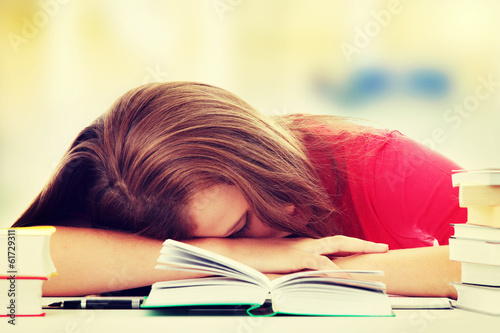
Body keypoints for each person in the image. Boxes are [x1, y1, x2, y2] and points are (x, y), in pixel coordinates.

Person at [12, 81, 466, 297]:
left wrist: (316, 269)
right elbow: (11, 263)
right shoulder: (137, 204)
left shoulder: (379, 163)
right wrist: (238, 258)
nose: (287, 204)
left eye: (264, 173)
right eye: (240, 226)